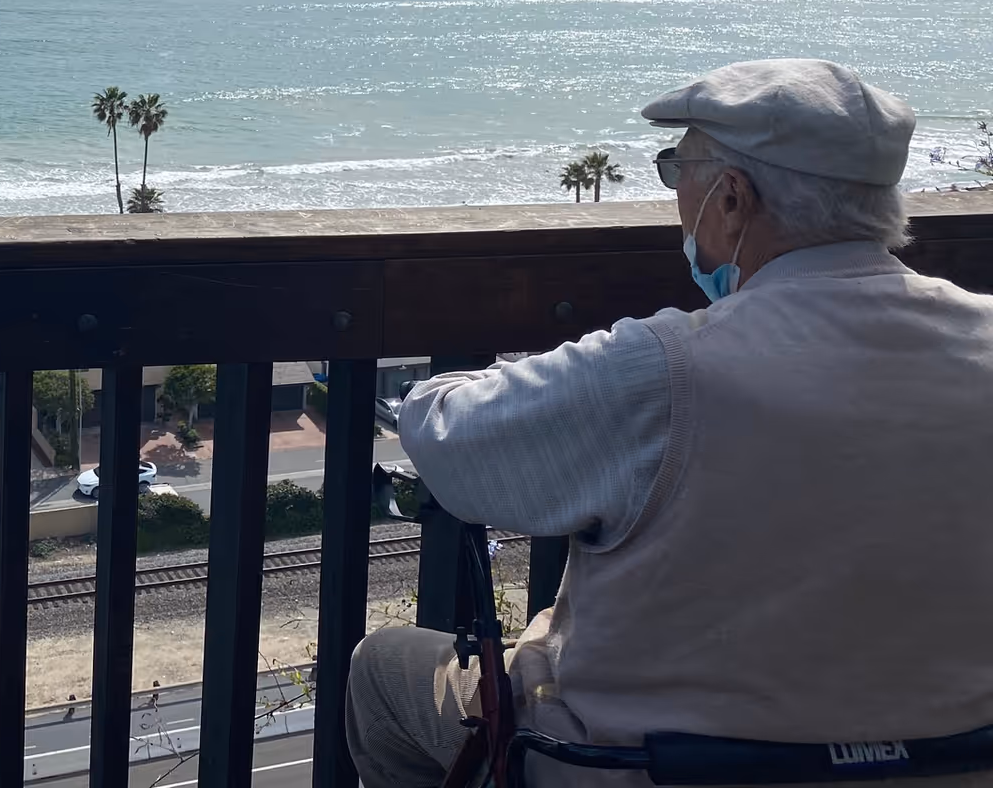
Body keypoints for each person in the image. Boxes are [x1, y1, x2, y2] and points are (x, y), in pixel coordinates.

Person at [347, 59, 993, 788]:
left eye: (675, 168)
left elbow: (450, 438)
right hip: (952, 762)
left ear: (731, 201)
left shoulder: (666, 368)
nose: (675, 195)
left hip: (649, 767)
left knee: (384, 670)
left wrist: (457, 383)